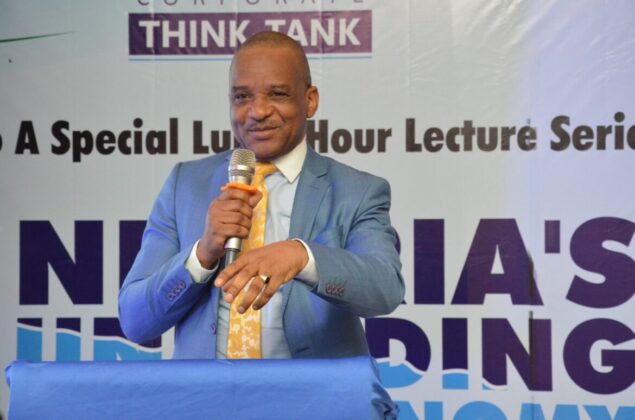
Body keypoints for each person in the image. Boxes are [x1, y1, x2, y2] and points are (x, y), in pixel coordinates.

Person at [118, 31, 404, 359]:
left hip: (311, 390)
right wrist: (201, 254)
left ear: (310, 101)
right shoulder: (186, 184)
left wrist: (303, 257)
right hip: (208, 391)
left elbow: (385, 289)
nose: (258, 111)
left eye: (277, 94)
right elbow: (135, 321)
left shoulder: (357, 191)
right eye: (242, 97)